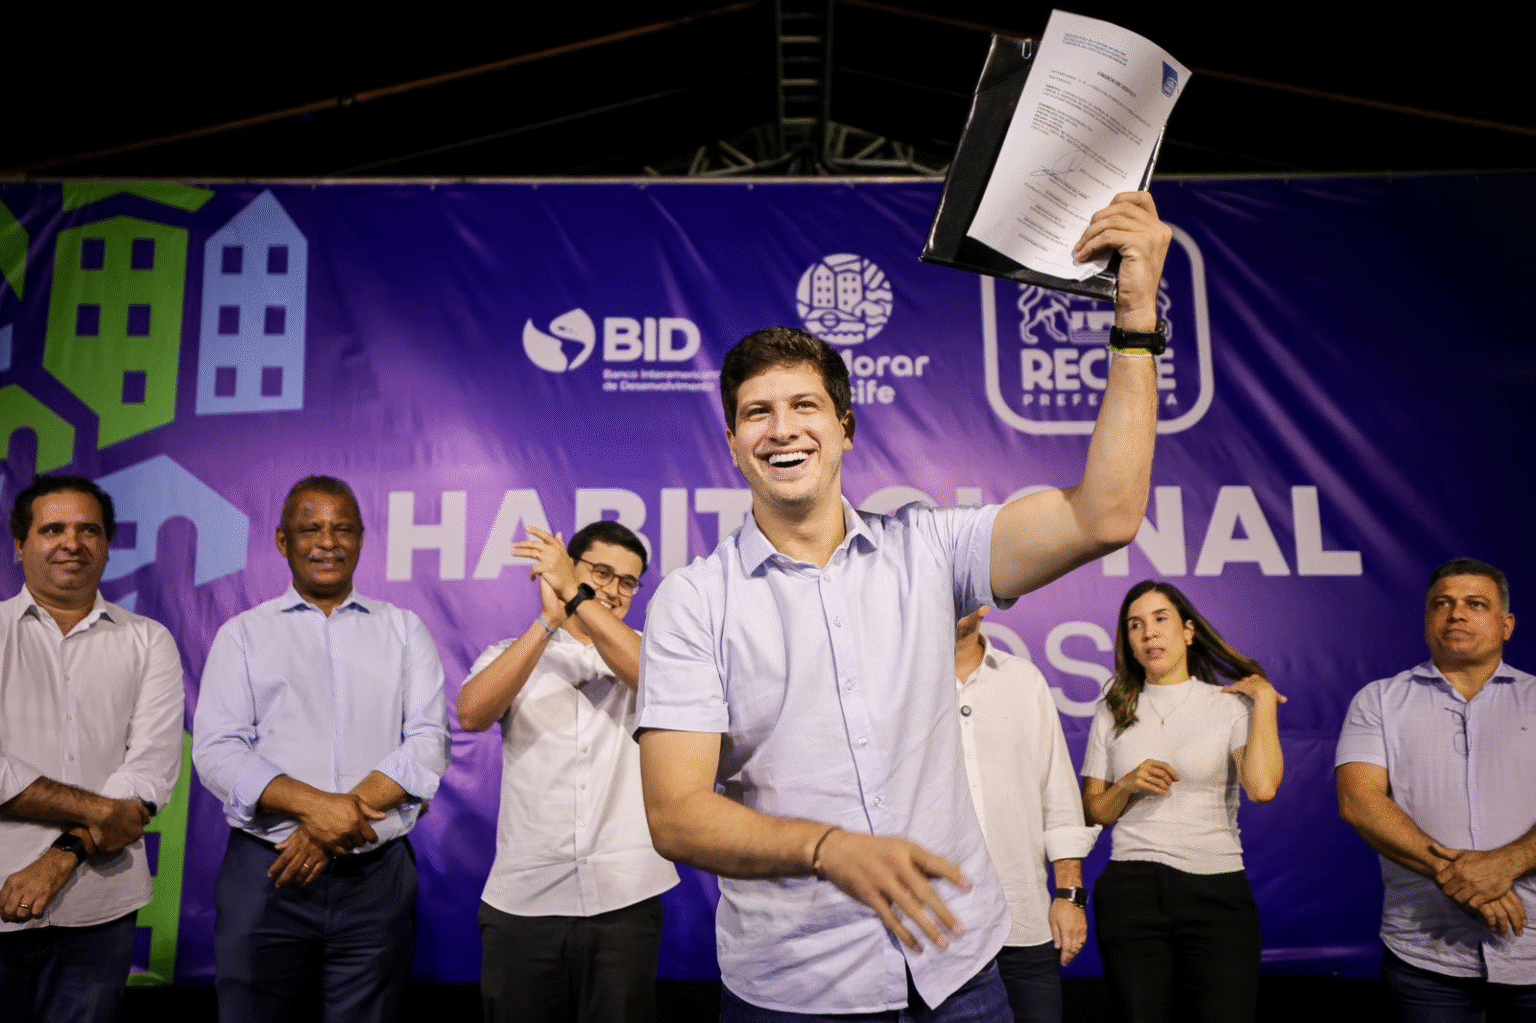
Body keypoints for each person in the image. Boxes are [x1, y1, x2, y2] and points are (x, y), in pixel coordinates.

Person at [637, 192, 1171, 1019]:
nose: (783, 429)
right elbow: (676, 815)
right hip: (798, 991)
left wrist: (1136, 319)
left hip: (960, 973)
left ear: (846, 427)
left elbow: (1104, 515)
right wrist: (826, 848)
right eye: (757, 414)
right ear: (734, 445)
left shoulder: (929, 549)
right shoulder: (693, 601)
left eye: (805, 405)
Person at [192, 475, 451, 1023]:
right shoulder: (242, 634)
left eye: (343, 529)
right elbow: (218, 750)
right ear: (283, 541)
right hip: (267, 874)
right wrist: (316, 807)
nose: (327, 542)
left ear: (361, 539)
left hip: (374, 879)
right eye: (310, 529)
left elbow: (428, 741)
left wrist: (334, 820)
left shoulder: (405, 630)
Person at [458, 520, 678, 1023]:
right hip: (526, 902)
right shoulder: (514, 653)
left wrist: (579, 602)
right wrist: (548, 622)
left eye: (628, 582)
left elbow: (659, 682)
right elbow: (472, 713)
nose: (613, 590)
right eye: (600, 573)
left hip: (625, 900)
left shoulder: (650, 651)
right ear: (567, 569)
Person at [0, 474, 184, 1023]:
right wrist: (102, 811)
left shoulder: (149, 640)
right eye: (52, 528)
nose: (71, 543)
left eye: (88, 530)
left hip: (100, 906)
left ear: (106, 545)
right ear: (19, 544)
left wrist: (61, 857)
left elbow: (149, 773)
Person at [1336, 558, 1535, 1020]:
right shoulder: (1379, 700)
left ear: (1506, 625)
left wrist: (1506, 863)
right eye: (1442, 604)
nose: (1456, 614)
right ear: (1428, 621)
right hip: (1425, 956)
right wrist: (1465, 876)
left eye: (1475, 604)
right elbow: (1359, 803)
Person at [1080, 580, 1285, 1023]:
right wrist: (1127, 784)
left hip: (1216, 887)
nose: (1149, 633)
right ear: (1129, 642)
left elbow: (1263, 787)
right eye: (1135, 625)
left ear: (1188, 631)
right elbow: (1093, 811)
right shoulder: (1113, 709)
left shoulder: (1229, 706)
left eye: (1160, 620)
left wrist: (1264, 699)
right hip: (1132, 889)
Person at [953, 607, 1100, 1023]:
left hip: (1024, 921)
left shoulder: (1023, 680)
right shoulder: (897, 683)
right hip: (936, 933)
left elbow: (1058, 793)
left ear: (983, 603)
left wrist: (1069, 894)